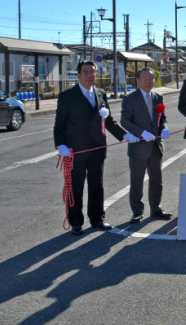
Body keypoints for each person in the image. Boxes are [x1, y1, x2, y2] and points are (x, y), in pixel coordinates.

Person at [54, 61, 134, 235]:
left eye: (93, 71)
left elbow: (109, 121)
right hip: (76, 151)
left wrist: (124, 135)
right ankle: (75, 221)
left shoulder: (100, 93)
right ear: (78, 75)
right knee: (75, 186)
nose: (90, 75)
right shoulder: (67, 96)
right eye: (86, 72)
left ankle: (97, 218)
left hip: (98, 148)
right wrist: (61, 145)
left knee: (97, 185)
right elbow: (59, 125)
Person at [121, 68, 173, 223]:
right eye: (144, 78)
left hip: (156, 145)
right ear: (137, 80)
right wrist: (141, 132)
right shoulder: (130, 98)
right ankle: (137, 211)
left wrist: (164, 128)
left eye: (150, 78)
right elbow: (125, 121)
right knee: (137, 180)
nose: (148, 81)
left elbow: (162, 117)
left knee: (156, 179)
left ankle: (156, 208)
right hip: (139, 147)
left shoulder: (158, 97)